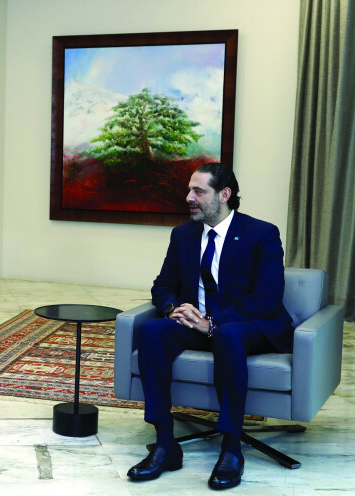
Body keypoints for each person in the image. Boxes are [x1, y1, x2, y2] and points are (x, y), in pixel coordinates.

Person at [126, 163, 292, 490]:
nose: (189, 197)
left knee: (227, 334)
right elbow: (163, 285)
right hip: (198, 324)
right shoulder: (184, 234)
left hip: (248, 326)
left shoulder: (261, 233)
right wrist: (174, 310)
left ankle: (231, 448)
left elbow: (267, 299)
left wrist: (212, 322)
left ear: (224, 194)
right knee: (151, 331)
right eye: (190, 190)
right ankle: (165, 443)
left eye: (198, 191)